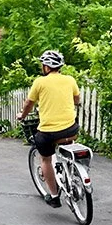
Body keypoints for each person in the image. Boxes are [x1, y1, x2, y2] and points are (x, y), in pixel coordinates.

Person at [17, 50, 80, 208]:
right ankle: (72, 175)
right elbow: (77, 99)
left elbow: (28, 104)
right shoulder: (70, 80)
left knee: (45, 158)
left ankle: (53, 196)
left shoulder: (40, 82)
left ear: (46, 67)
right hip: (71, 129)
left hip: (49, 132)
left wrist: (22, 115)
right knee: (67, 147)